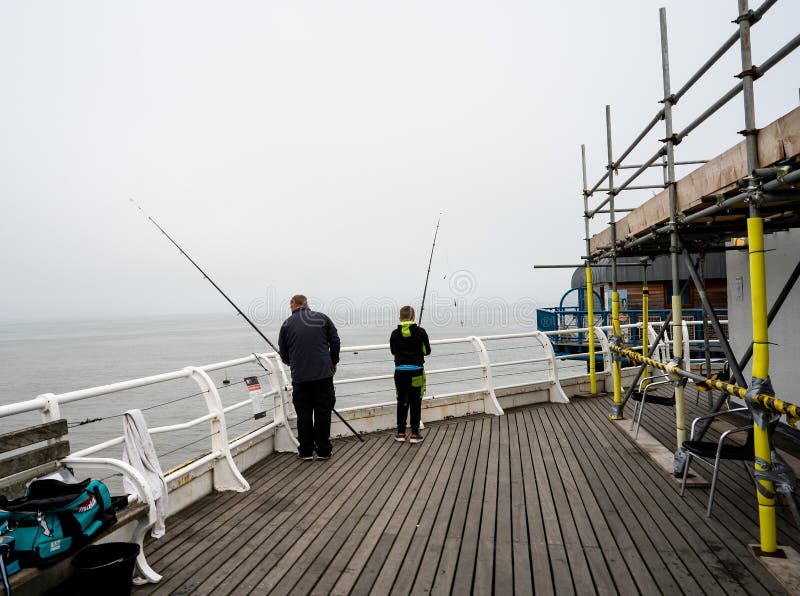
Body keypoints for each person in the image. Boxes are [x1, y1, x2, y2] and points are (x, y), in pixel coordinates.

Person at [278, 294, 340, 460]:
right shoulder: (322, 318)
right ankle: (324, 450)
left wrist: (292, 363)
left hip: (300, 377)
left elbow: (283, 352)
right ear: (306, 304)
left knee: (303, 413)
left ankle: (305, 451)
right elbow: (335, 341)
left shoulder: (286, 324)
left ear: (292, 307)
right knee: (323, 411)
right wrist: (333, 362)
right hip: (323, 375)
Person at [389, 305, 431, 444]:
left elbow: (393, 351)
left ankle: (401, 433)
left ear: (400, 318)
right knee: (415, 402)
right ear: (413, 317)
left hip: (400, 372)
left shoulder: (395, 334)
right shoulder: (421, 332)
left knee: (401, 401)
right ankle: (414, 434)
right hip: (417, 372)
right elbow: (427, 351)